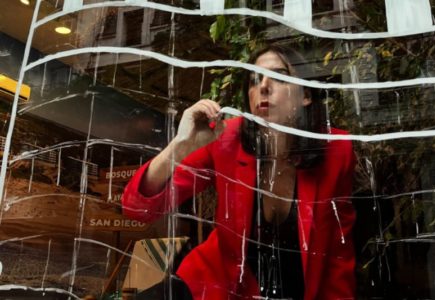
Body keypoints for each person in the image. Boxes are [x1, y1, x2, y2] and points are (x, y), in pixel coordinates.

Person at [122, 44, 356, 300]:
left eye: (278, 76)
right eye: (254, 80)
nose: (263, 87)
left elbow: (338, 252)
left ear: (306, 96)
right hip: (215, 286)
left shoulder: (336, 149)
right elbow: (138, 209)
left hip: (294, 288)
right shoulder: (226, 137)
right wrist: (180, 146)